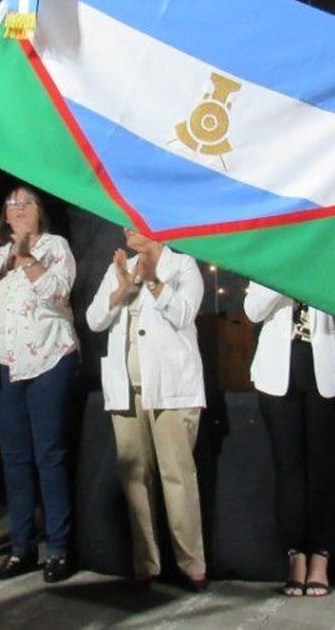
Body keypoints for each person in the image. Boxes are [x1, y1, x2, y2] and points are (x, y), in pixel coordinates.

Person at [0, 185, 80, 584]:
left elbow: (59, 292)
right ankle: (22, 549)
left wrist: (27, 258)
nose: (17, 208)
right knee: (15, 460)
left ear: (39, 212)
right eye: (10, 202)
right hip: (2, 366)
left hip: (48, 359)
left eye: (25, 202)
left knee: (49, 454)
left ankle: (60, 549)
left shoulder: (54, 246)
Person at [85, 228, 208, 590]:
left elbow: (184, 313)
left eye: (131, 222)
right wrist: (121, 290)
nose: (124, 229)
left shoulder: (183, 265)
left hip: (171, 389)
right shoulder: (120, 267)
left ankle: (191, 563)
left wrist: (154, 282)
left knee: (177, 476)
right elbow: (94, 320)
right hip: (126, 390)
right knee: (135, 477)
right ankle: (146, 563)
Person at [244, 282, 335, 598]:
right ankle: (295, 555)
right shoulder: (271, 250)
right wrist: (284, 279)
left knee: (324, 467)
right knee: (288, 467)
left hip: (328, 366)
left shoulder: (330, 245)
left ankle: (322, 556)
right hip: (277, 370)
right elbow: (252, 311)